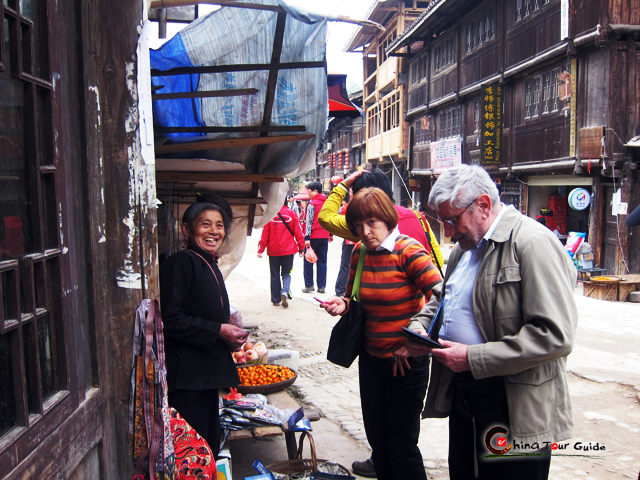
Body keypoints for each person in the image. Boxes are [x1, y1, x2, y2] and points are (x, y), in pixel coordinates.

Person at [405, 165, 577, 480]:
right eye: (444, 221)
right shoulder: (463, 250)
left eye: (452, 220)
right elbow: (444, 300)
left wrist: (473, 357)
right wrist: (421, 328)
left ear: (483, 205)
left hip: (513, 403)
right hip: (467, 393)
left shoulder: (532, 242)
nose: (448, 232)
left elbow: (555, 335)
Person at [318, 169, 444, 477]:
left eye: (371, 222)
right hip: (371, 360)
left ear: (388, 218)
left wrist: (413, 343)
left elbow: (443, 299)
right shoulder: (360, 251)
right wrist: (342, 304)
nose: (365, 231)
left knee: (402, 444)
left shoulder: (409, 251)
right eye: (358, 225)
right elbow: (353, 298)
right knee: (379, 439)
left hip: (406, 363)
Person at [160, 201, 250, 457]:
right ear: (187, 229)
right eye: (205, 224)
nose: (214, 231)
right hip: (188, 378)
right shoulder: (182, 262)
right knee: (191, 452)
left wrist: (227, 332)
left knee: (206, 447)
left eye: (219, 225)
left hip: (205, 376)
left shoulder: (207, 262)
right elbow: (171, 319)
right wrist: (218, 331)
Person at [318, 170, 444, 271]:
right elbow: (437, 259)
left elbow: (325, 217)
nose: (366, 232)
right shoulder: (418, 217)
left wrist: (344, 185)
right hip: (422, 301)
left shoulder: (364, 225)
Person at [258, 200, 305, 307]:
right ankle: (285, 291)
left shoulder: (270, 215)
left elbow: (265, 234)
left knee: (274, 275)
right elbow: (298, 232)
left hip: (273, 250)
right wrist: (301, 248)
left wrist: (261, 250)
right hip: (289, 249)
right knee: (286, 273)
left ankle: (275, 299)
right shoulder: (292, 213)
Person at [302, 182, 332, 294]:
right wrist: (331, 234)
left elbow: (309, 221)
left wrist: (307, 237)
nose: (308, 194)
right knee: (322, 261)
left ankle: (309, 285)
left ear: (315, 191)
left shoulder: (312, 204)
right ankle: (322, 286)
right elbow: (329, 219)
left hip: (313, 236)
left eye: (310, 192)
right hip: (324, 235)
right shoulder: (327, 204)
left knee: (309, 260)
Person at [334, 194, 356, 297]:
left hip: (349, 240)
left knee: (346, 265)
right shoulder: (363, 204)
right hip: (358, 240)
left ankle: (341, 289)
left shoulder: (347, 207)